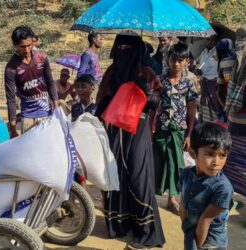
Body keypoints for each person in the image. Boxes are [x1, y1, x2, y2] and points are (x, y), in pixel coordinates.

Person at [96, 35, 165, 248]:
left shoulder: (146, 72)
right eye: (120, 45)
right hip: (116, 130)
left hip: (139, 128)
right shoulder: (110, 72)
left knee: (138, 175)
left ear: (137, 49)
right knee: (116, 174)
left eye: (129, 46)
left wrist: (145, 90)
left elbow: (158, 103)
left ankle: (146, 231)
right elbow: (101, 104)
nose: (123, 49)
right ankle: (119, 224)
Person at [153, 43, 198, 214]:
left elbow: (192, 110)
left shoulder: (188, 84)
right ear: (168, 59)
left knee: (175, 163)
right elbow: (153, 106)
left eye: (180, 60)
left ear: (187, 61)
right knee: (161, 162)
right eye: (174, 59)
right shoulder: (159, 81)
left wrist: (188, 134)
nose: (176, 64)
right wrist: (151, 127)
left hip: (178, 130)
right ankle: (159, 192)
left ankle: (172, 198)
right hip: (161, 129)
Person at [179, 122, 233, 250]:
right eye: (210, 154)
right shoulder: (186, 174)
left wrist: (195, 246)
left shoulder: (223, 187)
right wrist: (187, 232)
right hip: (192, 232)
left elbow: (205, 221)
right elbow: (182, 205)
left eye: (222, 155)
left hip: (212, 242)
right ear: (193, 154)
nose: (216, 162)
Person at [5, 26, 58, 136]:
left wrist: (56, 108)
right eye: (22, 47)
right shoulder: (11, 68)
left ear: (33, 41)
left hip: (46, 112)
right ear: (14, 45)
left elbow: (50, 83)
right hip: (28, 116)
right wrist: (13, 128)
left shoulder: (42, 58)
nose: (27, 50)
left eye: (29, 45)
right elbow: (10, 99)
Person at [223, 25, 246, 196]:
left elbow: (221, 88)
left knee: (233, 163)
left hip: (233, 119)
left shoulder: (227, 61)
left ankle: (228, 197)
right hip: (237, 120)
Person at [196, 35, 224, 122]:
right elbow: (198, 63)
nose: (210, 41)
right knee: (205, 104)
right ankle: (206, 124)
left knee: (214, 104)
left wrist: (219, 59)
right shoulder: (204, 52)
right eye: (208, 39)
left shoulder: (218, 51)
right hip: (204, 81)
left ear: (216, 41)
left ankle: (216, 124)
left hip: (214, 82)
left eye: (212, 39)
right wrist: (198, 69)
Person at [215, 39, 236, 110]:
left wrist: (225, 107)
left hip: (229, 102)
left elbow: (219, 91)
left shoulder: (223, 63)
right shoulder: (237, 58)